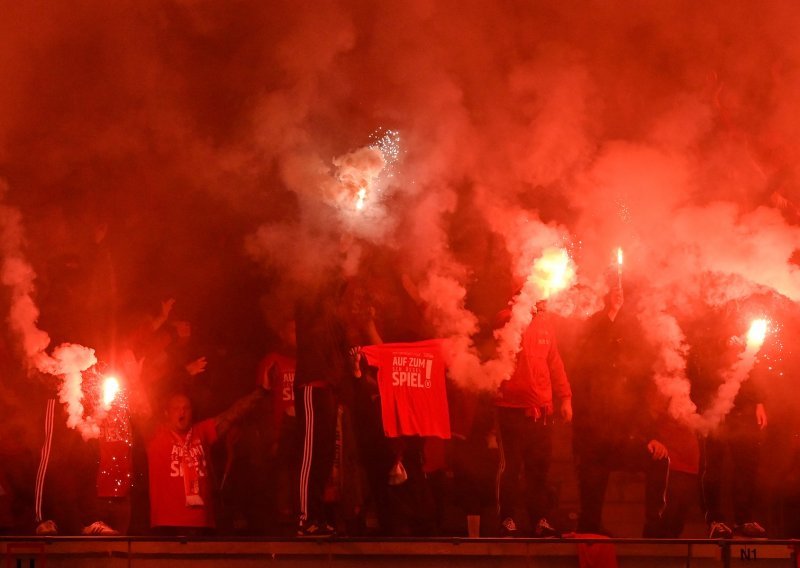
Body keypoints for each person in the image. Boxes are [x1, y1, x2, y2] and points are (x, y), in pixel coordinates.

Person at [571, 285, 669, 537]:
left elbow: (639, 399)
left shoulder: (630, 350)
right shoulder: (592, 327)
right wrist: (611, 312)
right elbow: (592, 349)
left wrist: (651, 436)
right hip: (593, 434)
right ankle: (590, 527)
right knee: (593, 474)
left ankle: (654, 526)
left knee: (659, 458)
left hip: (620, 436)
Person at [687, 308, 768, 538]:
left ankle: (744, 519)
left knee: (747, 465)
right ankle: (714, 519)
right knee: (712, 467)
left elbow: (752, 366)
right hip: (713, 405)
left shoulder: (740, 313)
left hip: (741, 407)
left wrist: (758, 401)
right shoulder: (705, 319)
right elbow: (696, 367)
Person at [494, 299, 573, 537]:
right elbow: (499, 342)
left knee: (538, 468)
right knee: (511, 466)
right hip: (511, 408)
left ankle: (539, 519)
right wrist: (522, 312)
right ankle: (506, 518)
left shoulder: (546, 324)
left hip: (541, 410)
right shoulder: (508, 317)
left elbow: (554, 361)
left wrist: (566, 397)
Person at [146, 386, 266, 535]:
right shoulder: (155, 434)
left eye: (186, 408)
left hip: (200, 522)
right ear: (166, 413)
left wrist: (261, 391)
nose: (182, 412)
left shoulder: (202, 431)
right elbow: (141, 410)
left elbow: (232, 414)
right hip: (166, 522)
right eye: (176, 408)